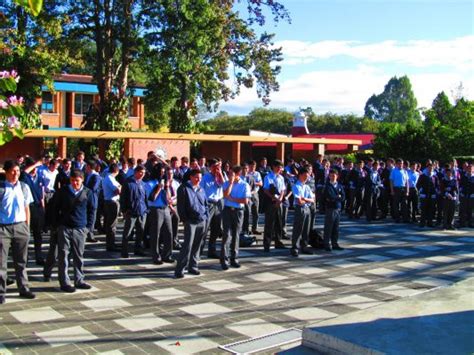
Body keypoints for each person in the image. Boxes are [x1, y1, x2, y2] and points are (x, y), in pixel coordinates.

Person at [0, 160, 36, 304]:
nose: (16, 174)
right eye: (13, 171)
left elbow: (27, 207)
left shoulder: (24, 187)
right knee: (2, 262)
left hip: (21, 227)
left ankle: (24, 288)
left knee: (21, 260)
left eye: (18, 171)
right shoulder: (1, 188)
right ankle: (1, 292)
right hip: (3, 228)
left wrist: (27, 226)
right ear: (6, 172)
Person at [54, 169, 95, 293]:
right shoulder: (63, 191)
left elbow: (92, 211)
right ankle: (65, 282)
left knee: (79, 255)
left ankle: (79, 280)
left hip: (80, 228)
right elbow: (55, 208)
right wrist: (57, 225)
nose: (75, 183)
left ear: (82, 180)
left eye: (77, 181)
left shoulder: (88, 193)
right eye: (72, 180)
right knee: (63, 255)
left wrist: (88, 228)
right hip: (65, 227)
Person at [175, 169, 208, 278]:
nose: (199, 180)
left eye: (200, 178)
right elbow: (180, 207)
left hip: (201, 220)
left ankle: (193, 266)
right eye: (196, 177)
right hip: (190, 221)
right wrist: (184, 220)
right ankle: (180, 268)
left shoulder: (201, 189)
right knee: (187, 245)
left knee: (197, 245)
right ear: (191, 177)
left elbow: (205, 204)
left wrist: (205, 217)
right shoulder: (183, 189)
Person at [220, 165, 251, 270]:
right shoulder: (226, 183)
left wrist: (232, 199)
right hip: (227, 210)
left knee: (236, 235)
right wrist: (231, 183)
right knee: (226, 235)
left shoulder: (245, 185)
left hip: (238, 211)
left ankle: (234, 258)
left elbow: (245, 201)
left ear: (238, 174)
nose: (229, 176)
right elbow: (225, 195)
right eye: (229, 174)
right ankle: (224, 260)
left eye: (232, 174)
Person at [145, 166, 174, 264]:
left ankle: (167, 255)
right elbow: (152, 198)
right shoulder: (149, 184)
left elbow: (169, 199)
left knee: (169, 232)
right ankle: (156, 256)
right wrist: (159, 187)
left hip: (165, 208)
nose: (162, 174)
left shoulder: (164, 183)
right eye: (160, 172)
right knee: (155, 234)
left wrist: (166, 188)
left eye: (163, 172)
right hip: (155, 209)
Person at [20, 158, 46, 265]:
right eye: (33, 168)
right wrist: (35, 164)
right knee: (25, 234)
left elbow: (42, 193)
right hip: (28, 207)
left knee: (38, 234)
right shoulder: (25, 178)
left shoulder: (39, 177)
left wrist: (43, 206)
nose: (34, 170)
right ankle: (24, 258)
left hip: (38, 207)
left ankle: (38, 256)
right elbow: (24, 173)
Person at [199, 159, 226, 258]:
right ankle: (199, 251)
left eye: (218, 166)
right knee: (205, 229)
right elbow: (200, 191)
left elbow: (225, 186)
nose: (216, 169)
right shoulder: (205, 177)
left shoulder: (221, 176)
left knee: (216, 228)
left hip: (219, 203)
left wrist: (220, 175)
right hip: (208, 204)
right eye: (214, 167)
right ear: (210, 167)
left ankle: (212, 250)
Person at [120, 165, 148, 258]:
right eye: (141, 172)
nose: (142, 175)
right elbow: (123, 198)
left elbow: (145, 198)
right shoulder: (128, 183)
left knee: (140, 232)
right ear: (136, 172)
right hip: (131, 211)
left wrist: (146, 209)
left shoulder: (143, 184)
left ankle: (138, 249)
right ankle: (124, 251)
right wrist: (124, 210)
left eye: (143, 173)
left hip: (142, 211)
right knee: (127, 233)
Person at [262, 160, 287, 252]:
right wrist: (275, 198)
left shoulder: (281, 177)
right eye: (278, 167)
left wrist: (280, 199)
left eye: (281, 167)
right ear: (273, 167)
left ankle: (278, 241)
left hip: (279, 202)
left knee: (279, 222)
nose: (280, 169)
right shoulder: (268, 177)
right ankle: (267, 243)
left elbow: (283, 190)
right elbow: (266, 190)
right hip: (271, 202)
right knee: (269, 223)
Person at [290, 168, 315, 257]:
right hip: (299, 209)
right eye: (305, 175)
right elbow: (299, 201)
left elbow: (313, 200)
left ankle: (304, 246)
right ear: (300, 175)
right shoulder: (296, 186)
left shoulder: (307, 186)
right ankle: (294, 247)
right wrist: (306, 200)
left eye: (308, 176)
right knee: (298, 228)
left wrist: (305, 199)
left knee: (306, 229)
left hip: (307, 209)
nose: (307, 177)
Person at [322, 169, 345, 252]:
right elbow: (329, 197)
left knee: (336, 227)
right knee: (328, 227)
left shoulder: (340, 185)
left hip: (338, 208)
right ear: (329, 176)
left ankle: (335, 243)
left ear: (337, 176)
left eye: (334, 175)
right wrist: (337, 197)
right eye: (331, 175)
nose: (333, 177)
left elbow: (343, 197)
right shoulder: (327, 186)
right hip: (330, 208)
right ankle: (326, 244)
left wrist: (337, 197)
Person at [101, 163, 121, 252]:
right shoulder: (110, 178)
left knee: (111, 223)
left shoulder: (108, 177)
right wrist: (120, 187)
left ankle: (111, 243)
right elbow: (117, 190)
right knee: (112, 224)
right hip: (112, 202)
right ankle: (110, 244)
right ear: (116, 171)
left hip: (109, 201)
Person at [84, 160, 102, 243]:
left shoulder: (96, 176)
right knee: (87, 216)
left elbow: (93, 188)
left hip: (92, 199)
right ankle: (86, 233)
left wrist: (85, 190)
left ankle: (90, 234)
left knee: (92, 217)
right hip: (85, 199)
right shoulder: (87, 175)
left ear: (89, 167)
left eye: (86, 166)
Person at [417, 163, 439, 228]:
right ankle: (422, 223)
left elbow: (437, 186)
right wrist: (421, 191)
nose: (430, 169)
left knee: (431, 209)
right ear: (427, 168)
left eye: (431, 168)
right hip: (424, 195)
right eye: (429, 168)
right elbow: (418, 185)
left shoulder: (435, 176)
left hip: (432, 196)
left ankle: (430, 222)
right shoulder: (422, 176)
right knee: (423, 209)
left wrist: (435, 193)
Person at [390, 158, 409, 223]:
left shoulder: (405, 171)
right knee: (396, 205)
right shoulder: (394, 171)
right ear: (397, 164)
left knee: (404, 204)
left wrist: (407, 191)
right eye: (399, 163)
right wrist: (392, 190)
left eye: (402, 163)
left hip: (403, 189)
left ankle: (405, 218)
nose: (401, 165)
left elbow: (407, 182)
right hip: (396, 189)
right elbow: (391, 181)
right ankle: (397, 218)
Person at [247, 160, 263, 234]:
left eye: (254, 166)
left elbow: (261, 183)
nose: (253, 167)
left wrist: (253, 182)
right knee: (247, 212)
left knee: (255, 212)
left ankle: (254, 228)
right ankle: (246, 228)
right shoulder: (246, 173)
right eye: (251, 166)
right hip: (248, 194)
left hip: (255, 193)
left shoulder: (257, 173)